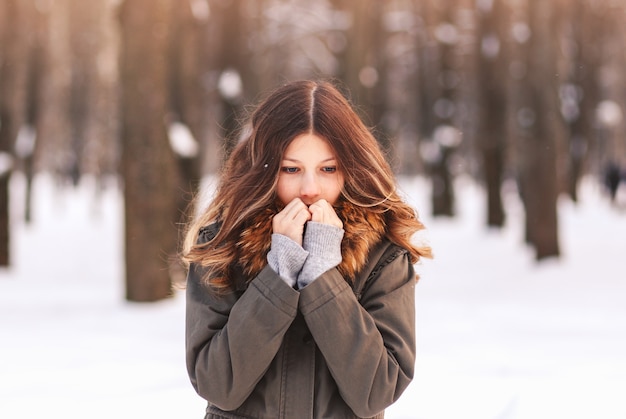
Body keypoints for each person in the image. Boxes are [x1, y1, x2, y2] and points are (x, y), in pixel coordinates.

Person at [182, 80, 432, 419]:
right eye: (291, 169)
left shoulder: (382, 254)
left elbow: (378, 389)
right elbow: (217, 384)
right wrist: (279, 274)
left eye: (328, 169)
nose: (310, 188)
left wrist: (323, 275)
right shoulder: (224, 246)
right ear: (264, 168)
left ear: (349, 169)